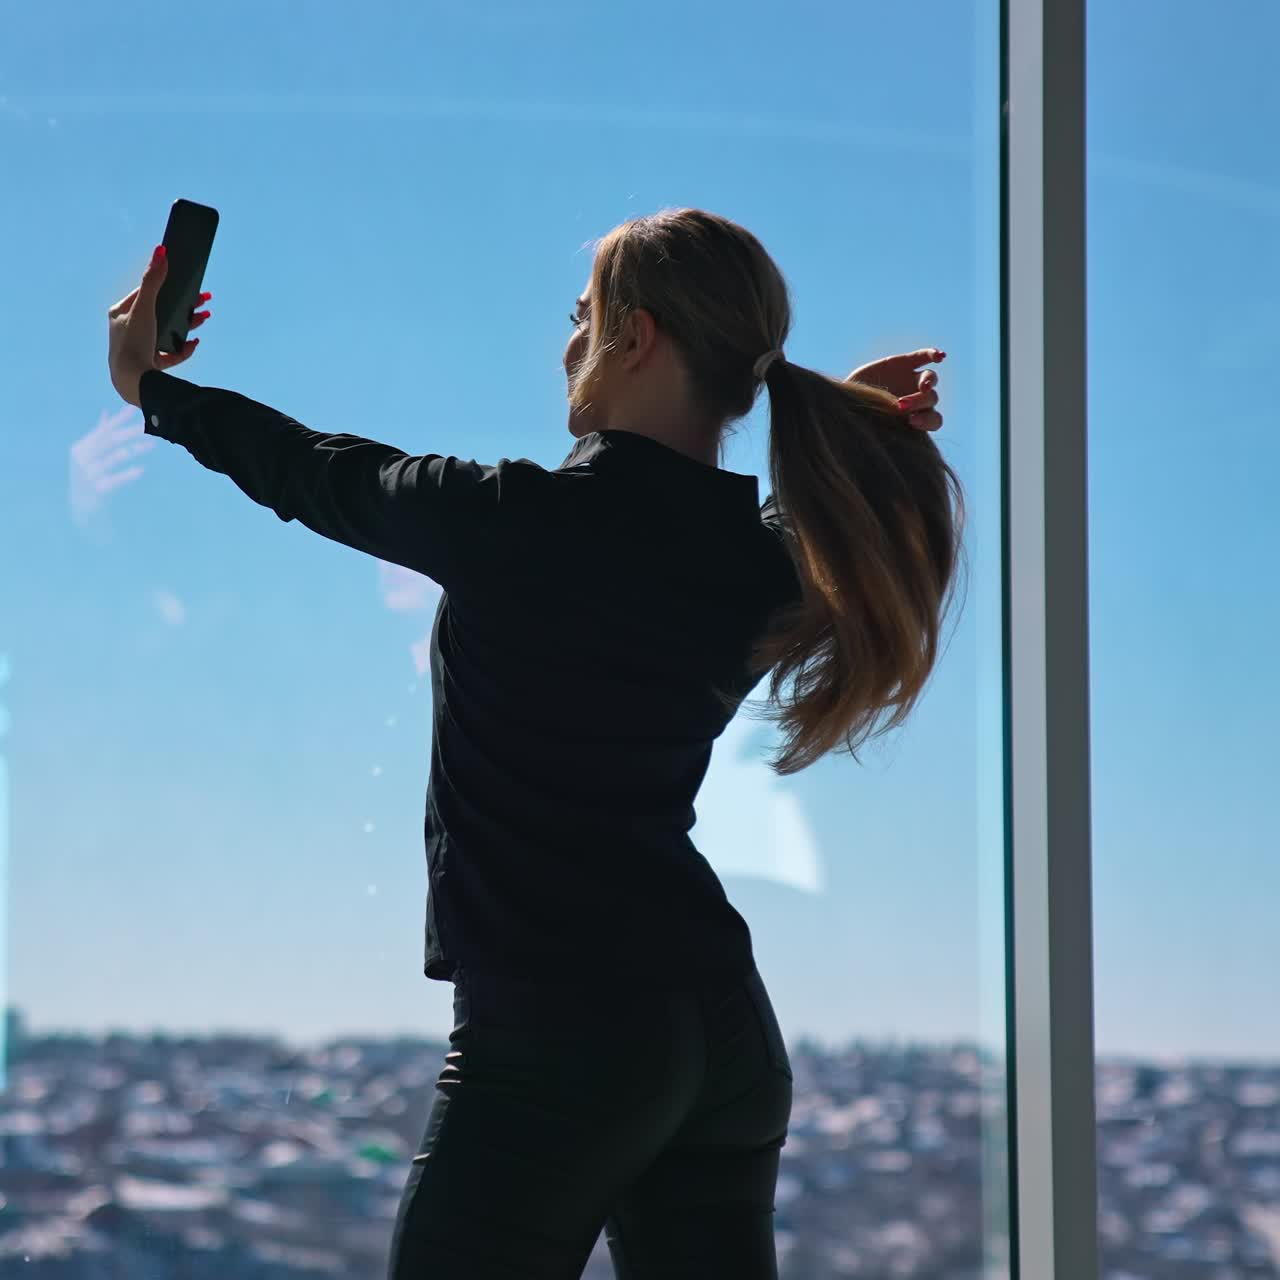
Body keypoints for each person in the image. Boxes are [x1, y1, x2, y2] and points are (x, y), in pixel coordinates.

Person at [107, 207, 963, 1279]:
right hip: (720, 1033)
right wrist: (853, 421)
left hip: (563, 1025)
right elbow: (782, 516)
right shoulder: (760, 567)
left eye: (581, 315)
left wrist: (151, 386)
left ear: (636, 336)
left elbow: (312, 467)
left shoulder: (514, 521)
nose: (568, 344)